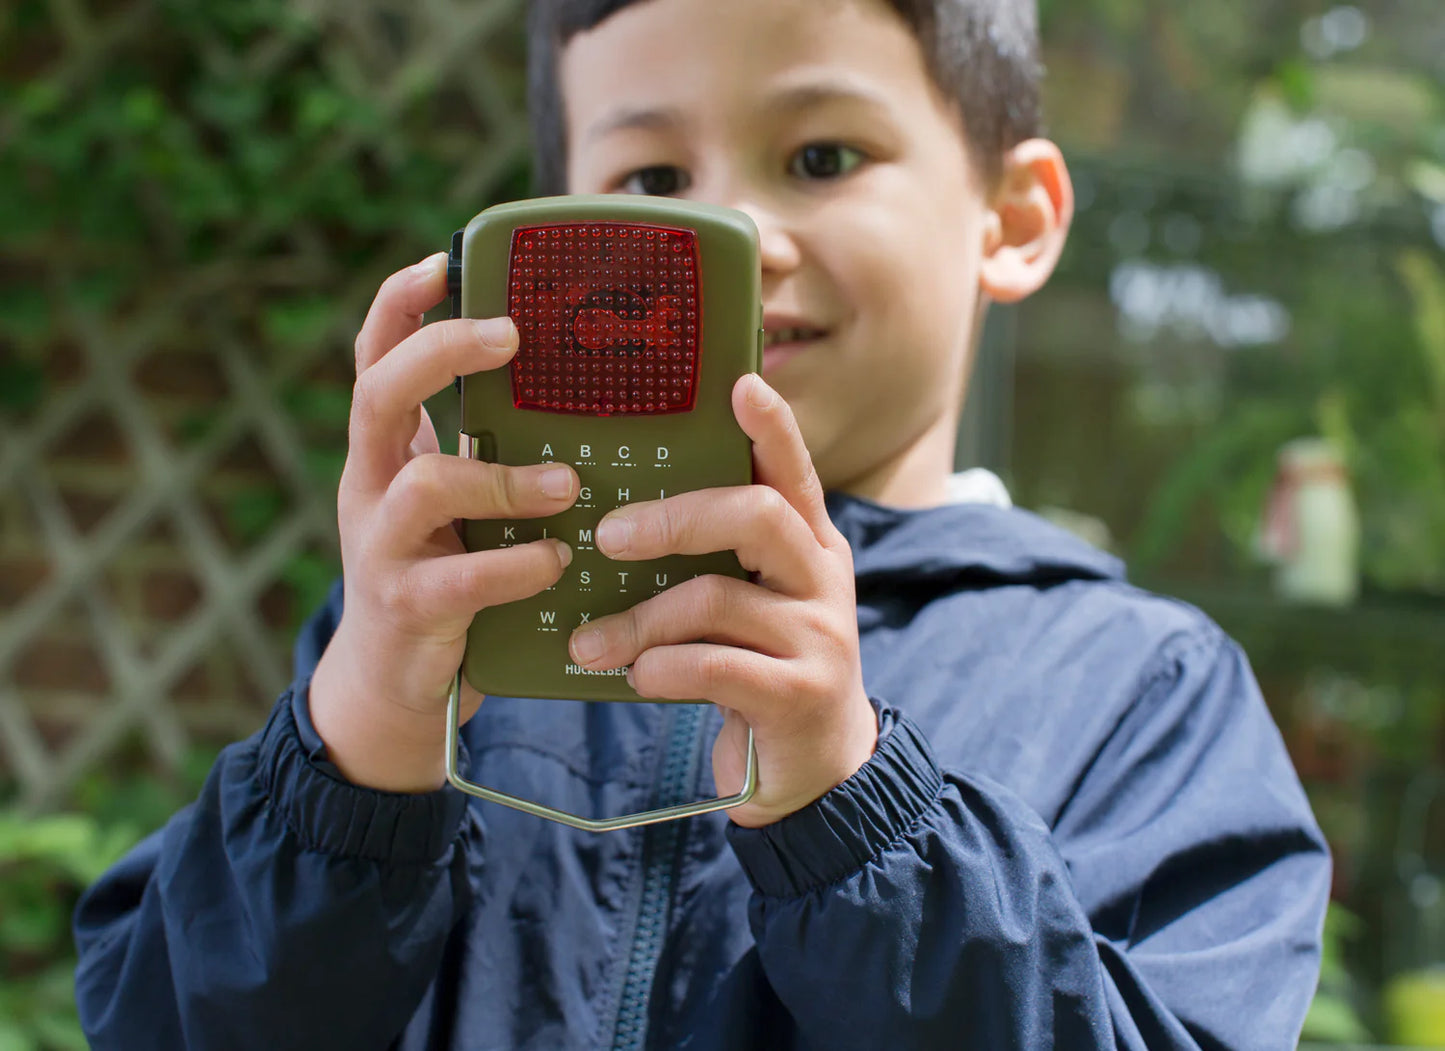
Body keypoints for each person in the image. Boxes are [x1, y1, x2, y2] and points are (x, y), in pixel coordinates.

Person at [73, 0, 1331, 1047]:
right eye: (651, 179)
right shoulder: (434, 630)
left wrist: (855, 812)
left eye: (821, 156)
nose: (726, 233)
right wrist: (354, 758)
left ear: (1012, 218)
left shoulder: (1138, 685)